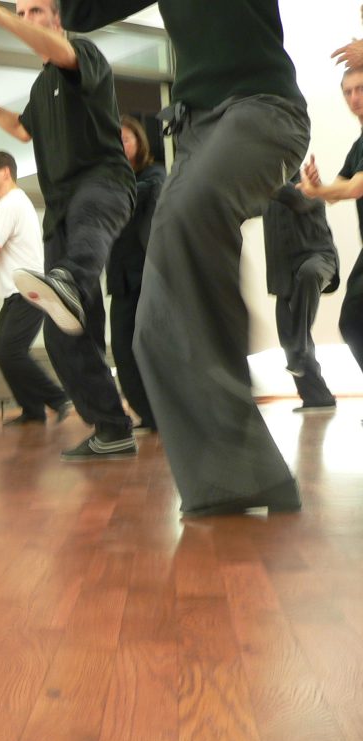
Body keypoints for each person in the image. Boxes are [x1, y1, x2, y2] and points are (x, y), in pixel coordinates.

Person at [61, 0, 310, 514]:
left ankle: (247, 468)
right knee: (152, 324)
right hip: (195, 133)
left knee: (180, 222)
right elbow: (79, 12)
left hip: (262, 110)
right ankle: (229, 483)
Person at [0, 0, 137, 462]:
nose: (27, 17)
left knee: (85, 230)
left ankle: (69, 282)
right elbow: (18, 129)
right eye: (22, 10)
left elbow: (62, 54)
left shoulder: (85, 55)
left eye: (36, 10)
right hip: (58, 211)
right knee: (62, 334)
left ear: (58, 18)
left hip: (103, 185)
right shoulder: (41, 87)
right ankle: (113, 428)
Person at [0, 150, 71, 426]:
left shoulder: (10, 203)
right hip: (20, 291)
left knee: (9, 350)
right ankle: (33, 410)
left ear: (5, 172)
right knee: (3, 349)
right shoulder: (15, 203)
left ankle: (57, 398)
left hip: (27, 291)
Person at [298, 66, 363, 383]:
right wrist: (318, 186)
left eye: (360, 88)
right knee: (353, 320)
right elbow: (336, 192)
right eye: (348, 91)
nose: (354, 98)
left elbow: (356, 187)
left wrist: (319, 190)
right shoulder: (358, 146)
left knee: (355, 318)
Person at [263, 174, 340, 413]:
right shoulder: (265, 194)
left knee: (307, 274)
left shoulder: (307, 186)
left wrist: (262, 177)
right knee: (288, 333)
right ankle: (317, 397)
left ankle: (299, 349)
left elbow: (298, 200)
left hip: (319, 260)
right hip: (285, 273)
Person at [107, 116, 164, 433]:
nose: (121, 144)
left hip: (148, 277)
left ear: (140, 142)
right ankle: (149, 414)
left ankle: (163, 414)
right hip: (121, 279)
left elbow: (147, 195)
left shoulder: (153, 175)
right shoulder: (113, 180)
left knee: (149, 348)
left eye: (126, 138)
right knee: (122, 349)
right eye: (115, 139)